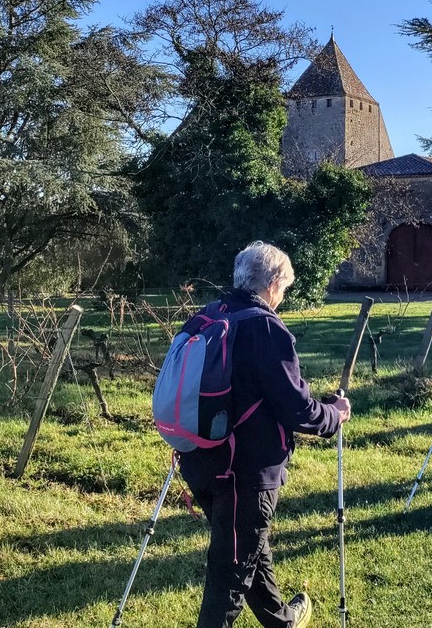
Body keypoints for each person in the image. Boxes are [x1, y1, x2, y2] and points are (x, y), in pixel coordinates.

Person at [178, 241, 350, 628]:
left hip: (199, 458)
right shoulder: (265, 326)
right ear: (272, 283)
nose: (283, 298)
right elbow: (297, 409)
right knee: (230, 574)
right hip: (245, 471)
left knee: (247, 549)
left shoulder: (207, 316)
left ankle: (282, 621)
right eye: (284, 288)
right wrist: (335, 415)